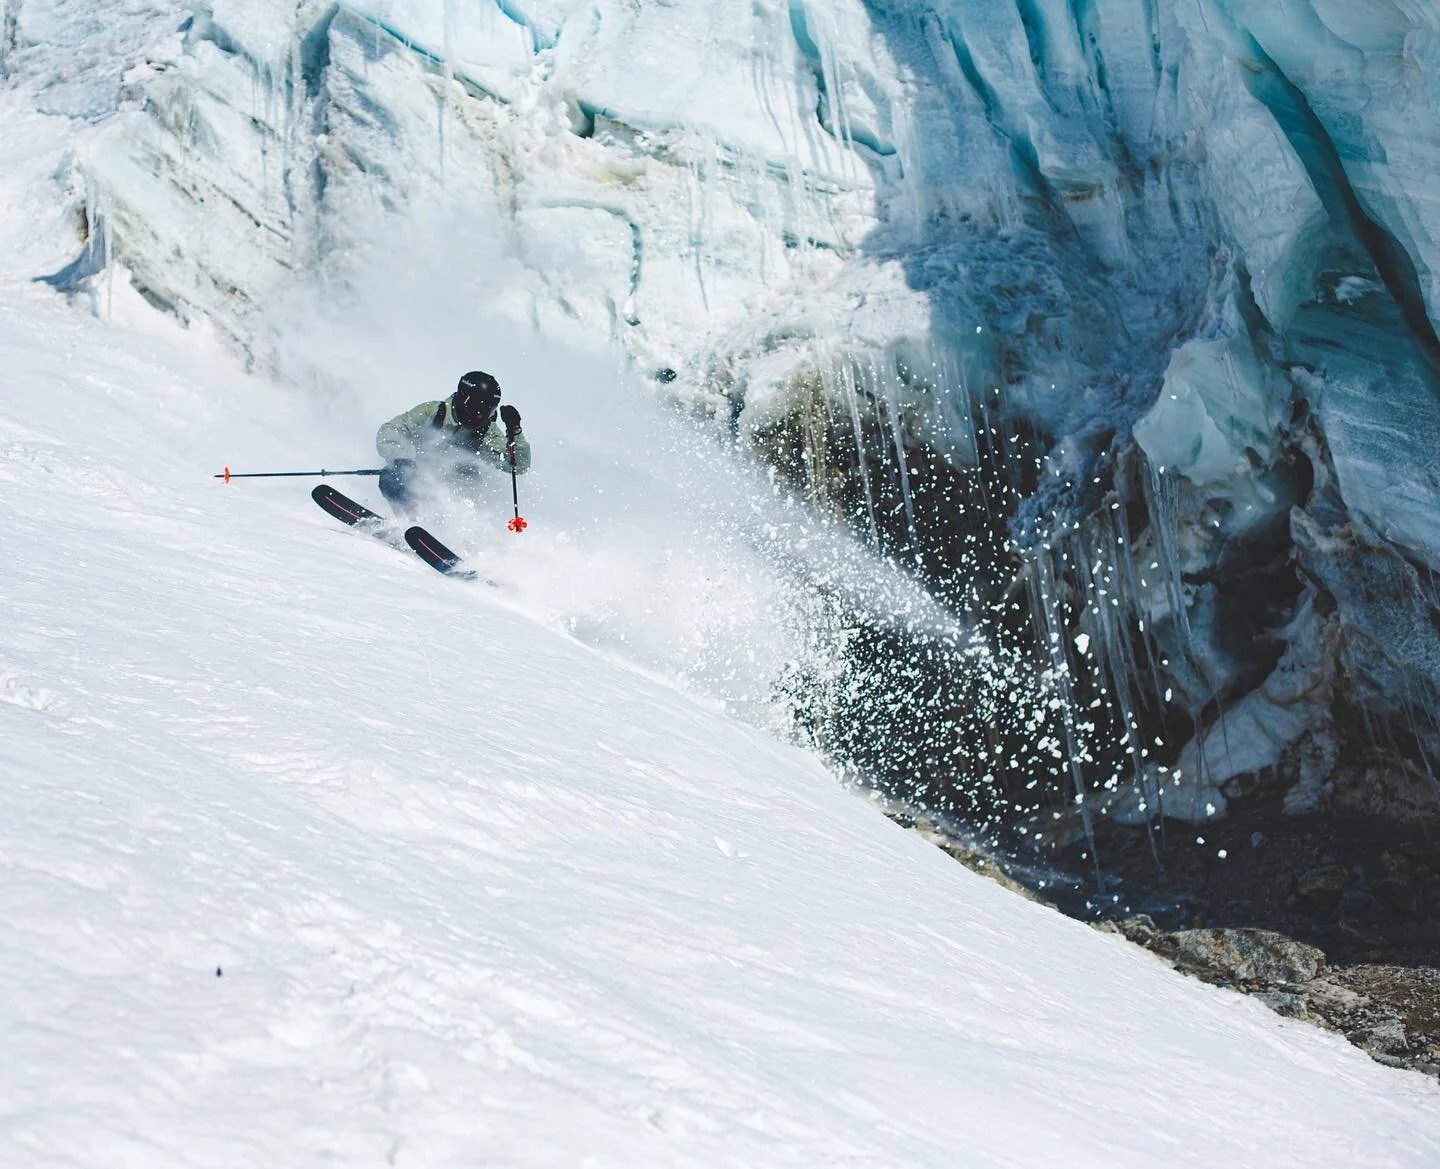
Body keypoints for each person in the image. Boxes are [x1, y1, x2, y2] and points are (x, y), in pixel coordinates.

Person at [374, 370, 531, 514]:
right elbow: (391, 430)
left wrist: (515, 431)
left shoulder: (487, 431)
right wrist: (401, 460)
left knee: (459, 509)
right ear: (463, 398)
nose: (479, 416)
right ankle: (401, 520)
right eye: (476, 408)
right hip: (417, 484)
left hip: (458, 501)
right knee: (391, 477)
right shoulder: (435, 412)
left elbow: (518, 465)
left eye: (487, 411)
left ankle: (453, 537)